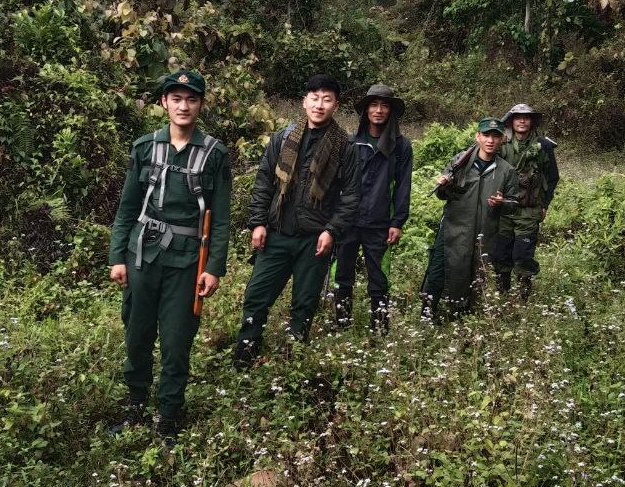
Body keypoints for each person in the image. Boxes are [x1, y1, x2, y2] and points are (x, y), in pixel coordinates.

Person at [108, 70, 231, 441]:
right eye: (176, 98)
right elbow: (127, 208)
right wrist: (117, 257)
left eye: (191, 99)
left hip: (187, 263)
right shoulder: (144, 148)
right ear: (164, 103)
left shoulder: (215, 153)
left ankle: (168, 417)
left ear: (200, 105)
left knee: (177, 343)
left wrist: (214, 268)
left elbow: (221, 218)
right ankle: (135, 406)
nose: (183, 106)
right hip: (141, 256)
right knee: (138, 335)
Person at [233, 74, 360, 367]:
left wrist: (332, 230)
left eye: (326, 99)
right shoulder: (282, 138)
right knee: (257, 297)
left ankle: (292, 363)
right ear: (304, 102)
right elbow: (264, 182)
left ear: (335, 105)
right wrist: (258, 222)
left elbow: (351, 196)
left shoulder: (345, 147)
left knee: (304, 304)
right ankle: (244, 359)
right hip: (276, 233)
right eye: (314, 98)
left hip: (314, 239)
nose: (319, 104)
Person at [419, 118, 519, 322]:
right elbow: (442, 195)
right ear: (478, 136)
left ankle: (460, 316)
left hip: (483, 232)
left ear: (502, 140)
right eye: (486, 135)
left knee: (472, 274)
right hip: (452, 227)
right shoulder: (460, 161)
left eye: (495, 136)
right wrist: (444, 184)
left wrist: (502, 202)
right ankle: (427, 314)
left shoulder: (507, 170)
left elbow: (513, 205)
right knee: (438, 269)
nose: (490, 140)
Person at [331, 84, 413, 333]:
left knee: (379, 280)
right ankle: (341, 326)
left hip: (379, 223)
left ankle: (380, 330)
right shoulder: (350, 142)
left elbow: (402, 186)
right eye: (374, 105)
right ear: (366, 110)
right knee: (342, 276)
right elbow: (337, 183)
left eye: (384, 106)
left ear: (391, 112)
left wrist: (397, 222)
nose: (378, 110)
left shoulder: (400, 146)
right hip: (347, 221)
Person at [494, 103, 560, 300]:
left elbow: (552, 177)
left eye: (526, 117)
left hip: (529, 209)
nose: (522, 120)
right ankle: (503, 298)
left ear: (531, 121)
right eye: (518, 117)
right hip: (503, 209)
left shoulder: (543, 145)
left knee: (523, 255)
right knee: (502, 255)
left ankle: (524, 299)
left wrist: (545, 204)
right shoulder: (501, 142)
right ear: (511, 121)